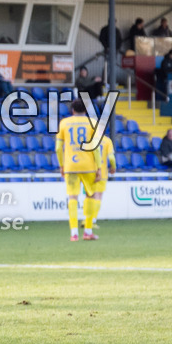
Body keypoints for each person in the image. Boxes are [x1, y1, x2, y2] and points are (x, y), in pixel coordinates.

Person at [56, 98, 104, 241]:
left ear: (72, 110)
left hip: (70, 165)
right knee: (91, 196)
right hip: (88, 166)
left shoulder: (64, 123)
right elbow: (95, 149)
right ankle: (88, 232)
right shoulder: (93, 123)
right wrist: (99, 167)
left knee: (72, 198)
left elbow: (58, 148)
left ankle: (74, 234)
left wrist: (61, 165)